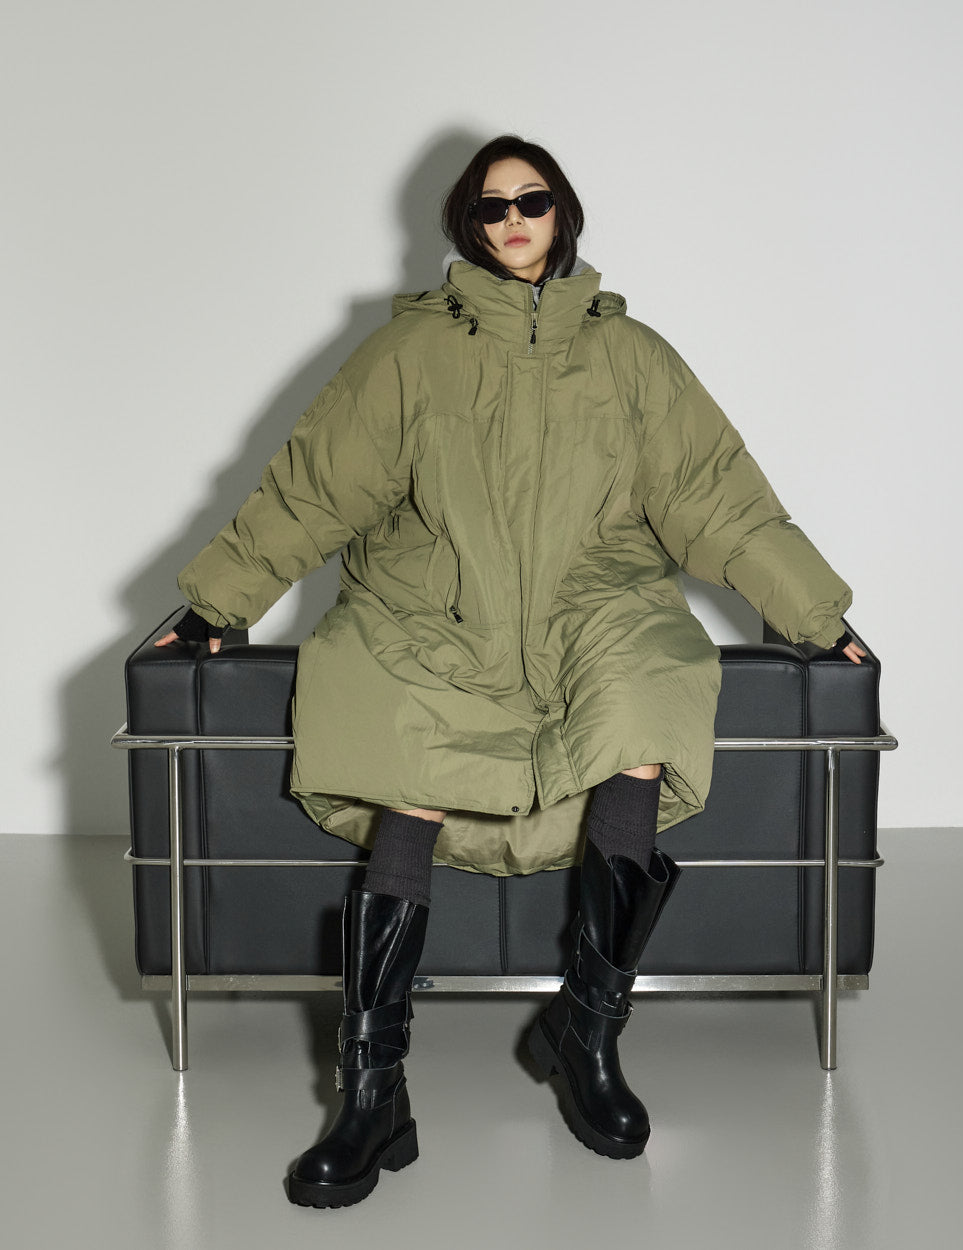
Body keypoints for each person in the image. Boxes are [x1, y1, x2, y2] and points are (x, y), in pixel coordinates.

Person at [156, 135, 865, 1207]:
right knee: (401, 732)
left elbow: (713, 495)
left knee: (643, 703)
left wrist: (815, 615)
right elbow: (318, 487)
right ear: (467, 226)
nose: (514, 221)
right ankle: (371, 1091)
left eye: (532, 201)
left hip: (597, 599)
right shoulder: (408, 353)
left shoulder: (633, 358)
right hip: (431, 603)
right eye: (491, 207)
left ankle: (587, 1035)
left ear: (562, 213)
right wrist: (217, 604)